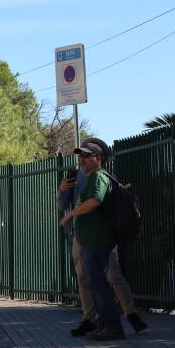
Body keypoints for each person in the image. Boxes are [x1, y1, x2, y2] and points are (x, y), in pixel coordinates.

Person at [58, 138, 147, 336]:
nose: (82, 160)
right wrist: (62, 191)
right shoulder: (78, 176)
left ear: (99, 158)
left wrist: (72, 214)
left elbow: (95, 201)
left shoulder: (101, 177)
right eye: (81, 156)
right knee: (88, 279)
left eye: (86, 156)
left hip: (99, 238)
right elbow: (64, 204)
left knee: (108, 278)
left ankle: (123, 318)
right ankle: (95, 320)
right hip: (83, 238)